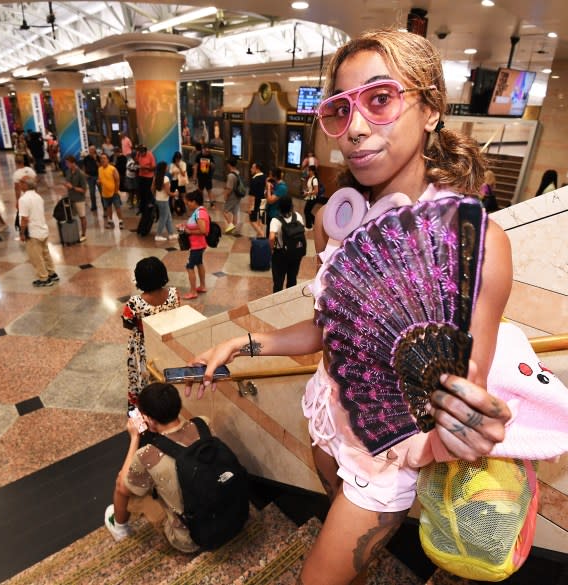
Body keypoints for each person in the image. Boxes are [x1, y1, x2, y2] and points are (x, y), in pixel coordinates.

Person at [187, 29, 515, 585]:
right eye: (339, 110)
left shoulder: (478, 247)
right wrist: (245, 343)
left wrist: (468, 423)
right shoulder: (333, 222)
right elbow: (325, 331)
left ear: (431, 108)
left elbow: (466, 384)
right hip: (326, 417)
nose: (355, 128)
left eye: (380, 99)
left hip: (385, 457)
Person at [104, 382, 205, 553]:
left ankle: (120, 528)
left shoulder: (148, 455)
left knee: (126, 486)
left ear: (149, 419)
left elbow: (123, 484)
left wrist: (135, 437)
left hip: (190, 539)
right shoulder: (203, 424)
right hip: (223, 513)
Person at [121, 258, 180, 409]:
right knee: (163, 372)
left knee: (142, 376)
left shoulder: (135, 302)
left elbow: (127, 323)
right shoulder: (173, 293)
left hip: (143, 346)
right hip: (166, 341)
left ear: (139, 279)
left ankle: (141, 408)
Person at [16, 168, 58, 287]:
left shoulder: (23, 199)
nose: (19, 184)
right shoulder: (38, 197)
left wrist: (22, 233)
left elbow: (24, 219)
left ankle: (44, 278)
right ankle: (52, 273)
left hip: (33, 233)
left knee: (36, 257)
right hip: (43, 229)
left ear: (25, 185)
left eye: (21, 182)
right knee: (45, 253)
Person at [269, 195, 305, 292]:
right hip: (296, 253)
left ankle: (277, 303)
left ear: (279, 207)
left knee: (278, 281)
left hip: (281, 254)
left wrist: (272, 249)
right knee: (292, 279)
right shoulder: (298, 216)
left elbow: (272, 237)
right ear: (291, 205)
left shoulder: (276, 220)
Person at [177, 190, 210, 300]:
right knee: (199, 263)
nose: (187, 205)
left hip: (197, 246)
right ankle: (203, 286)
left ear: (194, 201)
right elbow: (194, 225)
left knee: (189, 266)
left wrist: (190, 232)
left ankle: (193, 292)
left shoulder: (200, 213)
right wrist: (183, 226)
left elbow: (204, 230)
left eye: (188, 203)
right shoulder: (198, 212)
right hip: (198, 245)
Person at [63, 155, 88, 242]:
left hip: (79, 199)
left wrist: (72, 187)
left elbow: (84, 190)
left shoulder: (80, 174)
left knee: (82, 216)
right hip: (71, 198)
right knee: (72, 217)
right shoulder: (68, 172)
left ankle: (84, 234)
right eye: (66, 163)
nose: (67, 165)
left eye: (68, 163)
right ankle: (75, 233)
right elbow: (67, 181)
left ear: (73, 163)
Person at [97, 153, 124, 229]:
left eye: (104, 158)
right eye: (101, 158)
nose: (103, 160)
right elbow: (100, 178)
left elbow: (117, 180)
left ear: (108, 160)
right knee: (108, 208)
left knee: (117, 207)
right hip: (105, 193)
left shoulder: (112, 169)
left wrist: (116, 190)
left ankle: (121, 221)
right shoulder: (99, 169)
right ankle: (110, 221)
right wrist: (99, 181)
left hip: (114, 192)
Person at [221, 157, 243, 234]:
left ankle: (231, 225)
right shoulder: (237, 172)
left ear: (229, 165)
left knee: (224, 211)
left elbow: (229, 188)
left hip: (232, 196)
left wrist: (226, 196)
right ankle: (234, 229)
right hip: (238, 196)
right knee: (235, 212)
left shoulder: (230, 175)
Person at [135, 145, 156, 217]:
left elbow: (153, 167)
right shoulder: (138, 154)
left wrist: (145, 167)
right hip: (141, 176)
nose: (141, 154)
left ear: (145, 151)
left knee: (148, 193)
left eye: (142, 152)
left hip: (149, 177)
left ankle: (149, 210)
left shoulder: (150, 155)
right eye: (140, 152)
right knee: (141, 193)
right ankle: (142, 209)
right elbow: (137, 162)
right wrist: (136, 165)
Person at [194, 142, 215, 208]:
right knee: (200, 190)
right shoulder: (199, 156)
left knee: (209, 190)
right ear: (203, 149)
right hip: (201, 176)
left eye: (208, 150)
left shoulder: (210, 156)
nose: (207, 151)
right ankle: (201, 202)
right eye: (206, 150)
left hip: (208, 176)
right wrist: (194, 176)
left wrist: (211, 164)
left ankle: (211, 203)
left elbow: (214, 166)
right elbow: (196, 166)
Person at [82, 145, 101, 212]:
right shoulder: (86, 158)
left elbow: (100, 166)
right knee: (92, 192)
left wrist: (95, 159)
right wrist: (85, 174)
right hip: (90, 177)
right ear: (89, 150)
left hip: (97, 176)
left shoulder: (98, 157)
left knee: (101, 191)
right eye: (91, 149)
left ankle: (104, 205)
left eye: (93, 149)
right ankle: (94, 206)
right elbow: (84, 167)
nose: (92, 151)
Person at [302, 164, 320, 230]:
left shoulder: (315, 179)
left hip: (313, 198)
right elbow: (310, 188)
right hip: (310, 197)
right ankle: (316, 223)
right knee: (307, 211)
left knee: (306, 211)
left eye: (309, 171)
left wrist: (308, 193)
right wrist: (306, 192)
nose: (308, 172)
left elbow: (316, 191)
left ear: (312, 171)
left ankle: (309, 226)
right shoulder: (310, 178)